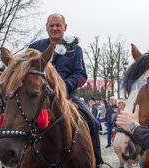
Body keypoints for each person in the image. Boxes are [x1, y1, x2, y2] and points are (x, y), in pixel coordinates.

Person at [28, 13, 102, 167]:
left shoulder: (75, 49)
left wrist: (63, 86)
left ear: (65, 27)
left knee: (93, 123)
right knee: (17, 122)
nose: (54, 28)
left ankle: (97, 161)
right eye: (51, 25)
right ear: (46, 27)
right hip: (38, 98)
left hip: (68, 96)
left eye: (58, 25)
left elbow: (81, 75)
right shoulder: (34, 47)